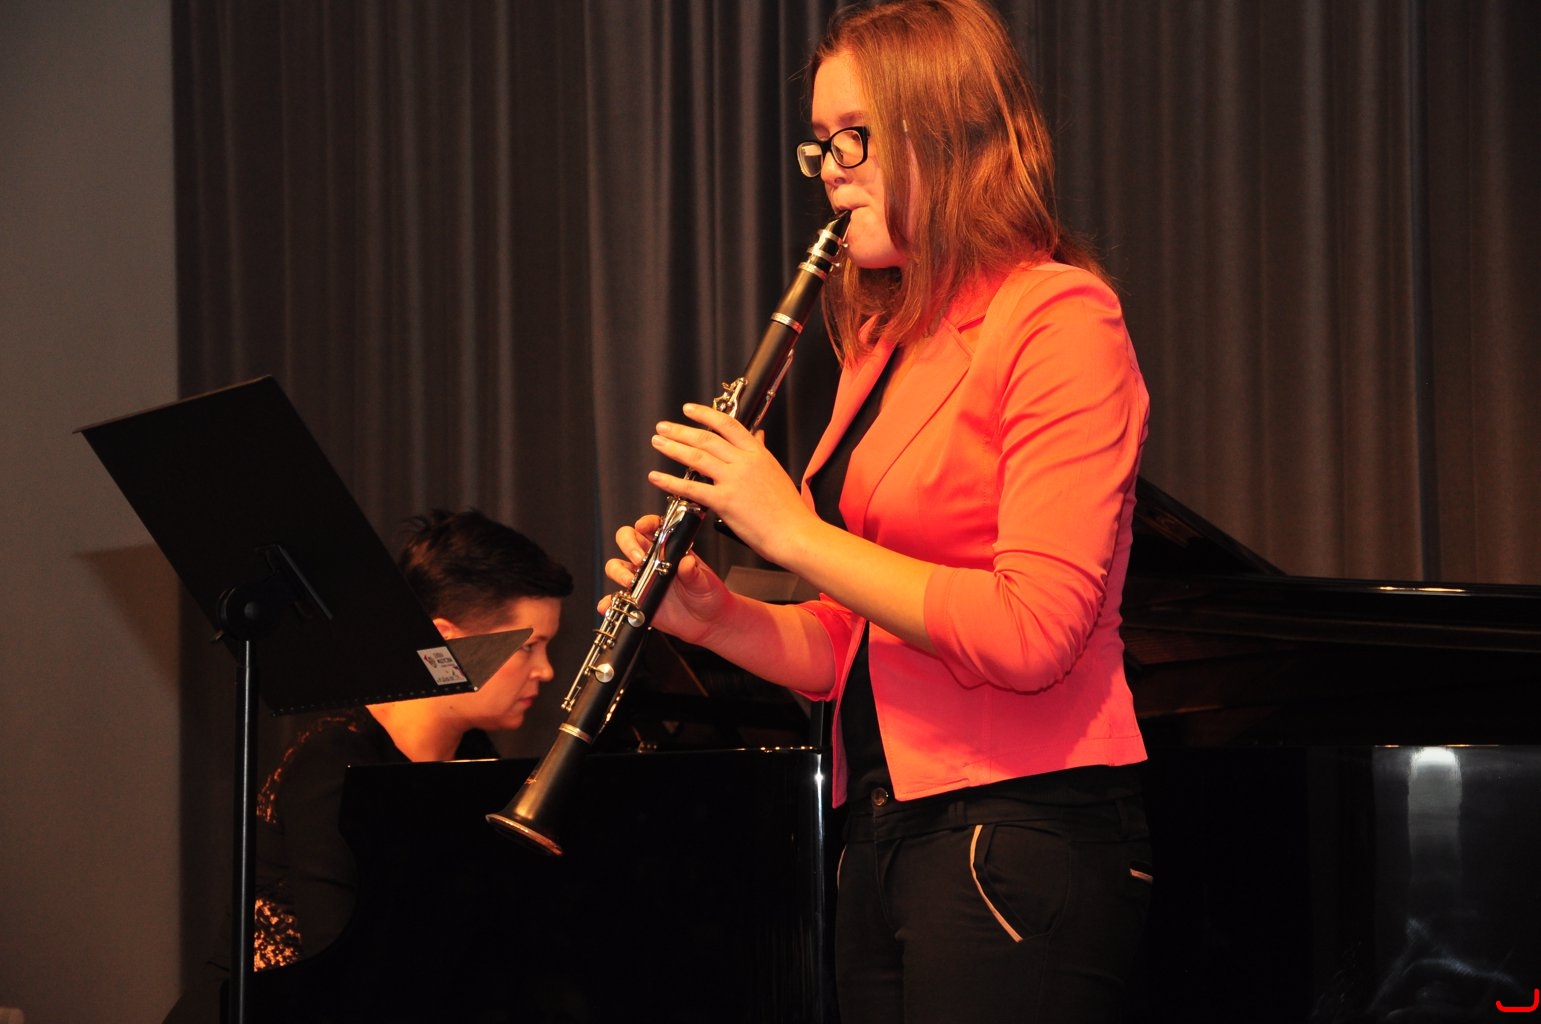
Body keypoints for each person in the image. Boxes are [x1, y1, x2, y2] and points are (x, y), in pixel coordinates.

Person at [605, 1, 1152, 1020]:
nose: (828, 168)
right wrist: (713, 617)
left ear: (948, 133)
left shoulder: (1057, 317)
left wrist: (791, 531)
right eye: (819, 143)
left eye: (853, 136)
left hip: (1014, 824)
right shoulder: (881, 342)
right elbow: (852, 645)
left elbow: (1031, 634)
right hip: (882, 826)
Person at [252, 508, 573, 969]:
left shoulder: (474, 754)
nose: (545, 670)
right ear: (446, 642)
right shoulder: (337, 763)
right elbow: (340, 965)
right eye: (528, 646)